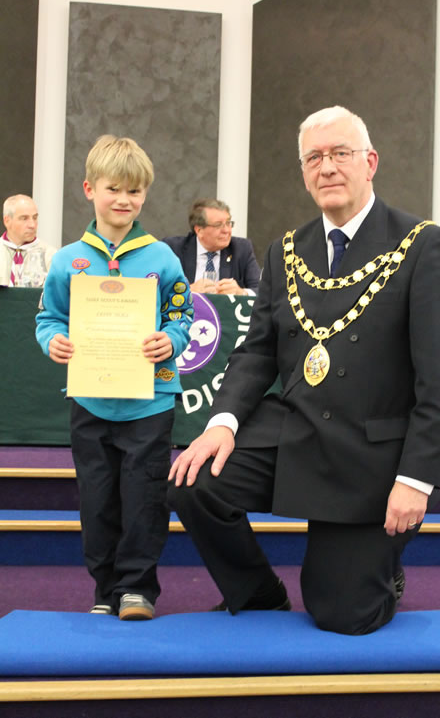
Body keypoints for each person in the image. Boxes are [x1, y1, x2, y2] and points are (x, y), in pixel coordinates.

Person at [168, 105, 440, 636]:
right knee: (195, 481)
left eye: (340, 154)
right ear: (304, 173)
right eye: (314, 158)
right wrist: (221, 424)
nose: (327, 167)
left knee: (343, 614)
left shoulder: (423, 244)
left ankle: (380, 569)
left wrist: (416, 479)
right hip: (298, 427)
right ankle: (257, 594)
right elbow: (257, 352)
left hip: (374, 453)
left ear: (370, 162)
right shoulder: (286, 250)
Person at [36, 135, 193, 621]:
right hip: (91, 399)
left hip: (150, 401)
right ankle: (105, 588)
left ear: (145, 195)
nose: (124, 200)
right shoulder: (67, 260)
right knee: (98, 499)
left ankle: (137, 589)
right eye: (113, 189)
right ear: (89, 189)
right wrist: (53, 341)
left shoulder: (163, 258)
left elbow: (182, 315)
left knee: (145, 498)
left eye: (134, 191)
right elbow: (48, 318)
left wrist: (171, 340)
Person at [163, 198, 261, 295]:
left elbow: (261, 290)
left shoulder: (241, 249)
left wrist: (242, 292)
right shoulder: (173, 248)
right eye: (218, 225)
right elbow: (159, 289)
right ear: (199, 230)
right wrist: (188, 290)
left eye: (228, 223)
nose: (226, 230)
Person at [0, 194, 56, 287]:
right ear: (7, 221)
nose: (32, 225)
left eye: (35, 218)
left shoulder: (50, 256)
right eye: (24, 218)